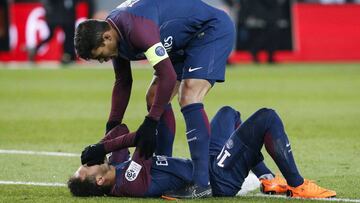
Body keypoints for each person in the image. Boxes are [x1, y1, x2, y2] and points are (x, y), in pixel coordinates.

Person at [74, 0, 235, 190]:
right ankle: (162, 165)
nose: (101, 61)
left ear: (107, 37)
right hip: (181, 42)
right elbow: (123, 81)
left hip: (209, 29)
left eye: (99, 55)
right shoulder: (116, 34)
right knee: (153, 97)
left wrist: (151, 122)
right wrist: (112, 128)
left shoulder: (136, 29)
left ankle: (202, 183)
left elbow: (168, 76)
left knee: (189, 94)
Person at [68, 106, 336, 199]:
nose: (90, 163)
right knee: (267, 118)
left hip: (205, 165)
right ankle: (298, 185)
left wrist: (100, 146)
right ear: (99, 180)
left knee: (228, 114)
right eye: (87, 169)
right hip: (216, 179)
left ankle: (267, 177)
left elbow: (119, 130)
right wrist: (103, 149)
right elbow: (142, 138)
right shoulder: (129, 183)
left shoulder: (116, 169)